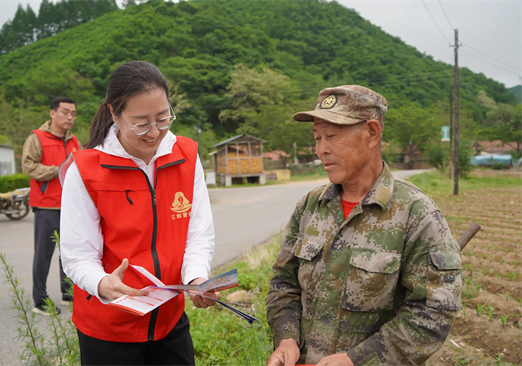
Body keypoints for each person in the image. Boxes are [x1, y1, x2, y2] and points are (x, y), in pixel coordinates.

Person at [266, 85, 462, 366]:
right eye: (318, 137)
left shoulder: (417, 214)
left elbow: (433, 312)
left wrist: (357, 360)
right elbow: (283, 283)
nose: (322, 150)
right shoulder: (309, 207)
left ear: (371, 133)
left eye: (332, 136)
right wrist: (286, 339)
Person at [59, 60, 218, 365]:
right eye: (141, 123)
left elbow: (198, 233)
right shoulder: (86, 169)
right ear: (114, 115)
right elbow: (77, 256)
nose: (154, 132)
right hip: (108, 328)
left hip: (169, 320)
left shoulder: (186, 155)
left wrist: (197, 277)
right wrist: (103, 283)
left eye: (163, 118)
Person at [22, 97, 80, 315]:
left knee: (68, 252)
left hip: (70, 206)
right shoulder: (37, 137)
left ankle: (68, 293)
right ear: (52, 113)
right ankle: (40, 300)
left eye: (73, 113)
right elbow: (29, 166)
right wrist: (56, 170)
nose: (70, 117)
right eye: (65, 112)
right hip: (47, 205)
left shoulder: (74, 142)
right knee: (43, 254)